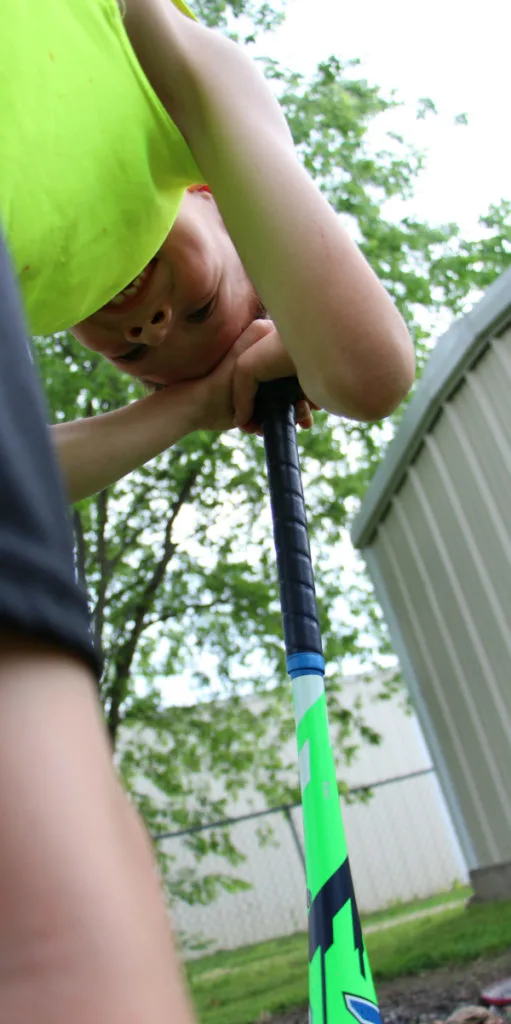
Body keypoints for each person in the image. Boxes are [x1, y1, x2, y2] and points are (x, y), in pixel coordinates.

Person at [0, 0, 415, 1021]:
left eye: (141, 350)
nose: (147, 319)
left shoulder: (30, 279)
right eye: (198, 305)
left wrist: (184, 404)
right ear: (220, 205)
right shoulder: (178, 96)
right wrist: (286, 333)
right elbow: (367, 372)